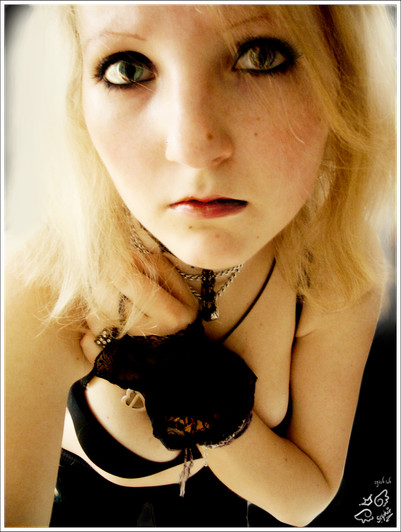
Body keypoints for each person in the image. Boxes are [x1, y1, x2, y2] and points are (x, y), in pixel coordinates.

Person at [4, 3, 396, 528]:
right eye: (128, 68)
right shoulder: (49, 280)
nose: (190, 147)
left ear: (341, 80)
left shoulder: (331, 259)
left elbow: (306, 500)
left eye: (260, 56)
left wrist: (182, 370)